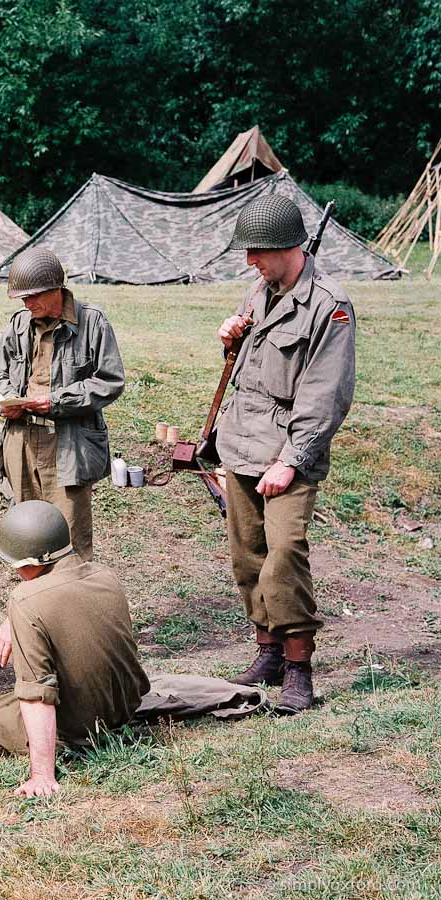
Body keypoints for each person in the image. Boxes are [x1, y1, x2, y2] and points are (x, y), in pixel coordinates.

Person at [215, 194, 356, 713]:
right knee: (247, 556)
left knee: (284, 558)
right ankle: (267, 653)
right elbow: (250, 370)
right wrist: (229, 339)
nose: (250, 261)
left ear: (288, 247)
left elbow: (326, 395)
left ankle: (299, 669)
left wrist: (291, 459)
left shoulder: (329, 305)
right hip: (243, 444)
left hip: (286, 455)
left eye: (258, 251)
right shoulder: (261, 290)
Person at [0, 501, 150, 797]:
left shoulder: (26, 599)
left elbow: (37, 694)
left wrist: (42, 774)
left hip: (74, 727)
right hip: (123, 709)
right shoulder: (103, 575)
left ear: (26, 561)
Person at [0, 246, 125, 563]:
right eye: (22, 298)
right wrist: (5, 401)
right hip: (21, 443)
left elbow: (110, 381)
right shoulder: (19, 324)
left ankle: (73, 605)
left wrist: (56, 402)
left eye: (32, 296)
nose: (27, 303)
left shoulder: (92, 323)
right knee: (25, 532)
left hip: (67, 446)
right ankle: (34, 605)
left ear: (56, 289)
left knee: (69, 539)